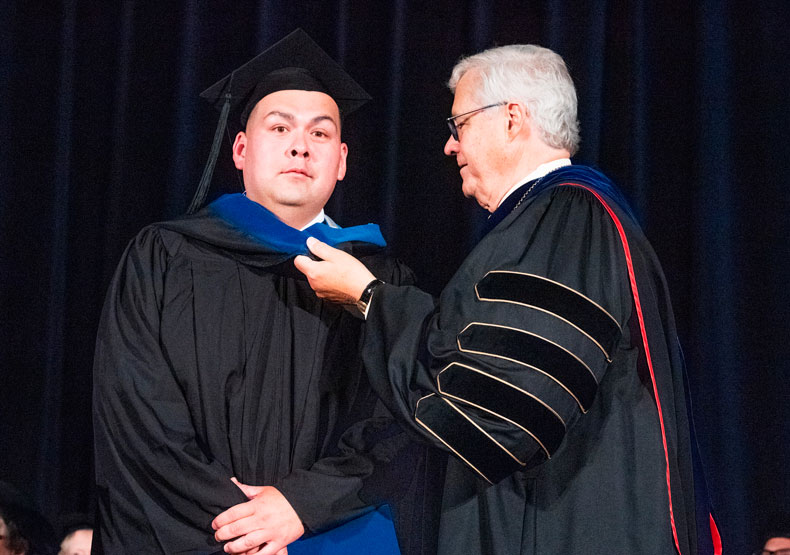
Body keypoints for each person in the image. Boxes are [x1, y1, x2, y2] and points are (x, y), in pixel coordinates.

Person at [295, 44, 719, 554]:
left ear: (513, 119)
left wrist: (368, 297)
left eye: (460, 126)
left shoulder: (571, 217)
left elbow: (499, 412)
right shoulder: (552, 221)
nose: (451, 147)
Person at [92, 29, 423, 554]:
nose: (299, 145)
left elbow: (396, 423)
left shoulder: (378, 282)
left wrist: (299, 508)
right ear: (240, 149)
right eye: (279, 127)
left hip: (331, 537)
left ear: (341, 161)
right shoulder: (163, 259)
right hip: (198, 539)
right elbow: (138, 420)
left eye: (320, 134)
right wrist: (244, 527)